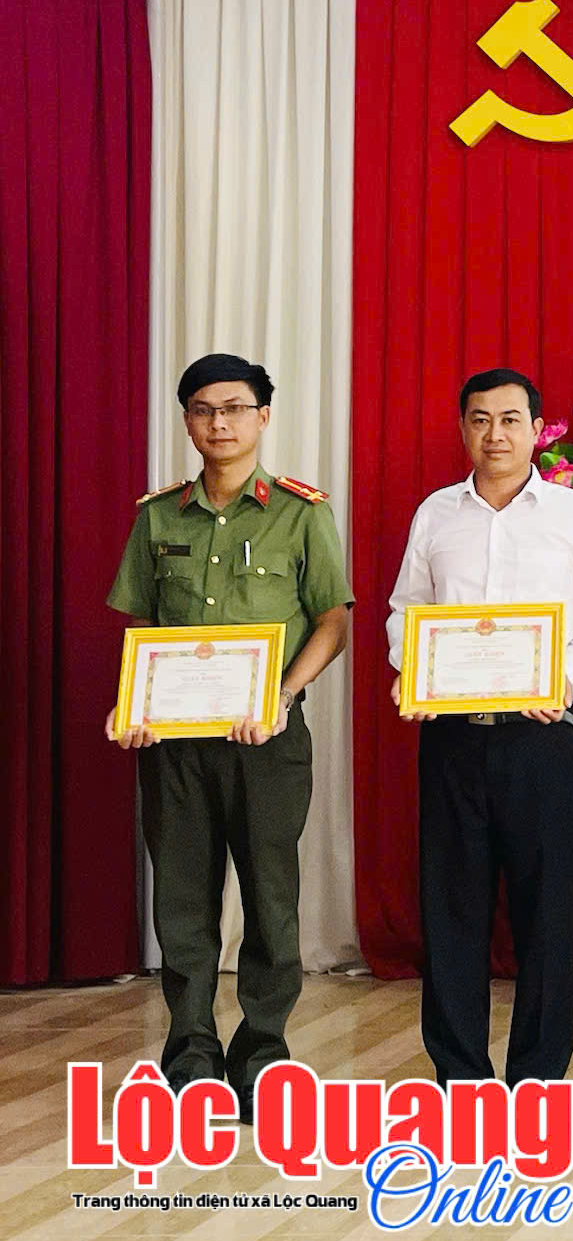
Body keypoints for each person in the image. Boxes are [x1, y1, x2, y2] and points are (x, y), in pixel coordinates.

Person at [105, 353, 353, 1117]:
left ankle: (262, 1051)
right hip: (175, 743)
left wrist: (283, 694)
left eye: (235, 408)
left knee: (271, 900)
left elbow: (332, 621)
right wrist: (131, 702)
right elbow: (143, 624)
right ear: (187, 421)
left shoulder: (300, 513)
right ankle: (190, 1054)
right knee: (182, 904)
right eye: (204, 409)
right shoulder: (159, 516)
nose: (220, 423)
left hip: (266, 739)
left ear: (263, 417)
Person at [386, 368, 573, 1084]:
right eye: (479, 420)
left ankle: (537, 1077)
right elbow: (406, 610)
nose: (494, 434)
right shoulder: (436, 514)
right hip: (453, 737)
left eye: (509, 420)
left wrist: (564, 678)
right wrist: (414, 668)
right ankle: (459, 1075)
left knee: (546, 915)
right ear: (463, 428)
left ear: (537, 430)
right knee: (451, 912)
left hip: (542, 738)